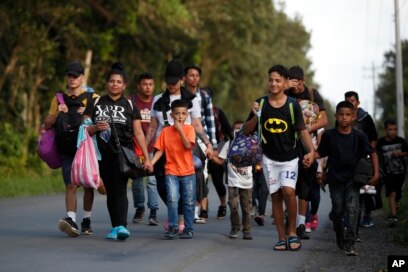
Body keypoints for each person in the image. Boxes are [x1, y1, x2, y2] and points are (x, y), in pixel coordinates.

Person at [243, 64, 315, 251]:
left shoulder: (293, 105)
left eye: (277, 80)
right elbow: (247, 129)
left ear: (285, 83)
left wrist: (312, 151)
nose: (273, 83)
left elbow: (302, 132)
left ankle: (292, 232)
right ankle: (281, 238)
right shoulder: (261, 103)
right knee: (275, 196)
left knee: (289, 192)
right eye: (271, 80)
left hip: (290, 158)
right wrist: (256, 115)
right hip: (268, 159)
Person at [84, 63, 153, 241]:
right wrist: (94, 127)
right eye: (111, 81)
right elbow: (83, 130)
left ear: (124, 85)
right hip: (101, 155)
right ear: (106, 84)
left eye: (118, 82)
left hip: (123, 155)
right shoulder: (96, 102)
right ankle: (115, 227)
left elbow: (138, 133)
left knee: (120, 190)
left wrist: (147, 158)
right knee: (110, 191)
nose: (115, 84)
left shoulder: (129, 104)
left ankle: (122, 226)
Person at [146, 59, 213, 231]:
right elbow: (153, 127)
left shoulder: (192, 99)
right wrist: (145, 150)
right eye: (168, 82)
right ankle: (175, 212)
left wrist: (208, 144)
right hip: (163, 147)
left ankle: (181, 217)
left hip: (184, 148)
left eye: (174, 82)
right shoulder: (158, 100)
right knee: (161, 184)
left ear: (182, 80)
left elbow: (197, 124)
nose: (171, 85)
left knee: (186, 184)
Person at [315, 100, 379, 256]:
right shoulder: (329, 135)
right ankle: (339, 232)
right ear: (336, 116)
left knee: (352, 209)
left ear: (353, 117)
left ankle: (350, 243)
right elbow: (321, 154)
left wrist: (376, 174)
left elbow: (373, 153)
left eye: (347, 115)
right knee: (337, 210)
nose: (344, 117)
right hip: (335, 179)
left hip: (353, 179)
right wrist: (317, 166)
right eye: (341, 114)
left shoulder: (359, 136)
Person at [43, 61, 99, 237]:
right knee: (70, 185)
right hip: (66, 147)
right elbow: (47, 124)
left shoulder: (93, 98)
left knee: (89, 184)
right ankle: (71, 219)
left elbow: (100, 121)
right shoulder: (58, 99)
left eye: (76, 76)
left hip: (86, 148)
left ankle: (87, 220)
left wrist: (87, 114)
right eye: (70, 76)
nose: (73, 79)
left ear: (83, 78)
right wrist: (59, 112)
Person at [286, 65, 328, 239]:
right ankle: (291, 220)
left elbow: (324, 119)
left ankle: (302, 224)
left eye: (296, 81)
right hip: (287, 145)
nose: (294, 84)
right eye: (290, 81)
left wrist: (306, 128)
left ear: (302, 81)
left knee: (305, 184)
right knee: (288, 186)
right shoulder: (285, 94)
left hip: (307, 145)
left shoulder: (312, 94)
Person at [151, 99, 196, 239]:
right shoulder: (165, 131)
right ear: (172, 115)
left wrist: (180, 130)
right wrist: (151, 162)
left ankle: (188, 228)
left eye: (183, 113)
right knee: (172, 199)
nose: (180, 116)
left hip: (188, 172)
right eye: (177, 114)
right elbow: (159, 150)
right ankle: (173, 227)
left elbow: (188, 145)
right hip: (171, 171)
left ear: (187, 115)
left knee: (188, 201)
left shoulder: (189, 129)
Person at [184, 65, 217, 223]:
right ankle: (186, 209)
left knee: (201, 175)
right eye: (191, 75)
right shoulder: (179, 95)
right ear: (184, 77)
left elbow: (210, 121)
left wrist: (212, 144)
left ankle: (197, 210)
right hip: (182, 140)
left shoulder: (204, 96)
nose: (194, 78)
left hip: (201, 141)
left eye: (197, 75)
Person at [212, 121, 254, 239]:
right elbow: (220, 161)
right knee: (233, 205)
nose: (238, 131)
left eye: (241, 129)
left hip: (247, 182)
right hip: (233, 182)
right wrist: (211, 157)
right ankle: (235, 227)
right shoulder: (229, 144)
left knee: (246, 207)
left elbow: (257, 158)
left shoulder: (251, 145)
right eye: (235, 129)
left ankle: (247, 229)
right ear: (232, 131)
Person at [345, 91, 379, 231]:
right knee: (348, 187)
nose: (350, 103)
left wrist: (369, 154)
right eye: (348, 101)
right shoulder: (343, 117)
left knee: (366, 189)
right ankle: (348, 216)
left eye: (352, 101)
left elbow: (374, 138)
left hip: (364, 158)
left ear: (357, 103)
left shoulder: (366, 118)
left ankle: (367, 215)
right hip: (347, 158)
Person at [129, 72, 159, 225]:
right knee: (137, 181)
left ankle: (153, 211)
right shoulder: (131, 101)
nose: (148, 87)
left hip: (154, 147)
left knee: (152, 180)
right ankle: (139, 208)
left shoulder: (157, 102)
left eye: (151, 84)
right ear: (138, 86)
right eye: (144, 84)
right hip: (136, 149)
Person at [202, 86, 233, 219]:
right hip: (200, 149)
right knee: (201, 180)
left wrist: (233, 148)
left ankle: (223, 204)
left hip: (216, 150)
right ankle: (204, 207)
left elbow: (228, 130)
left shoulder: (217, 112)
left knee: (217, 181)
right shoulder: (192, 111)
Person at [376, 119, 408, 222]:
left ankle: (395, 206)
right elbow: (376, 155)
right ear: (385, 130)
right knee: (392, 193)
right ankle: (393, 215)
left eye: (395, 129)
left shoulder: (401, 141)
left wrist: (400, 154)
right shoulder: (380, 143)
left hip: (401, 172)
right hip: (388, 173)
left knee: (398, 193)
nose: (393, 132)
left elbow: (406, 151)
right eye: (390, 129)